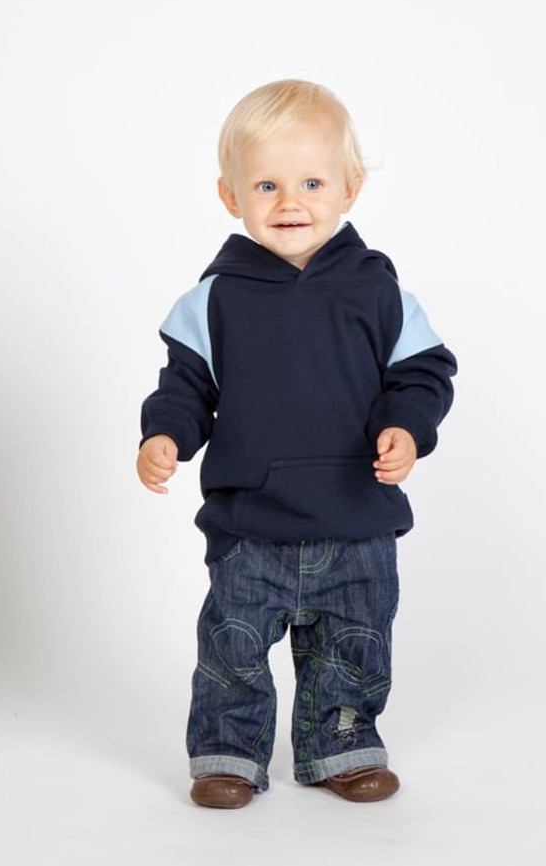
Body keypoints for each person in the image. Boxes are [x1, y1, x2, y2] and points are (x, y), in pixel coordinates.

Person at [136, 79, 458, 809]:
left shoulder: (378, 290)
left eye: (311, 182)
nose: (290, 201)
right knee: (234, 646)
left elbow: (424, 372)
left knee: (353, 644)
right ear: (231, 197)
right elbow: (187, 386)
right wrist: (165, 434)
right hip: (253, 522)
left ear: (348, 188)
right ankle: (229, 753)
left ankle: (340, 746)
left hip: (358, 520)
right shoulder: (213, 299)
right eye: (267, 184)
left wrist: (408, 427)